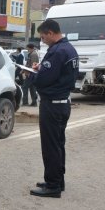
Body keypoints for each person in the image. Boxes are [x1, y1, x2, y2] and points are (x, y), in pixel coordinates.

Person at [27, 19, 79, 198]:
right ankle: (58, 180)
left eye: (43, 37)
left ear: (50, 33)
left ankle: (53, 186)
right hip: (62, 103)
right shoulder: (69, 49)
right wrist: (41, 69)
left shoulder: (58, 51)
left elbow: (43, 80)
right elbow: (56, 74)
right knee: (58, 145)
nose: (42, 40)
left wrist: (32, 74)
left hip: (53, 105)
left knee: (50, 146)